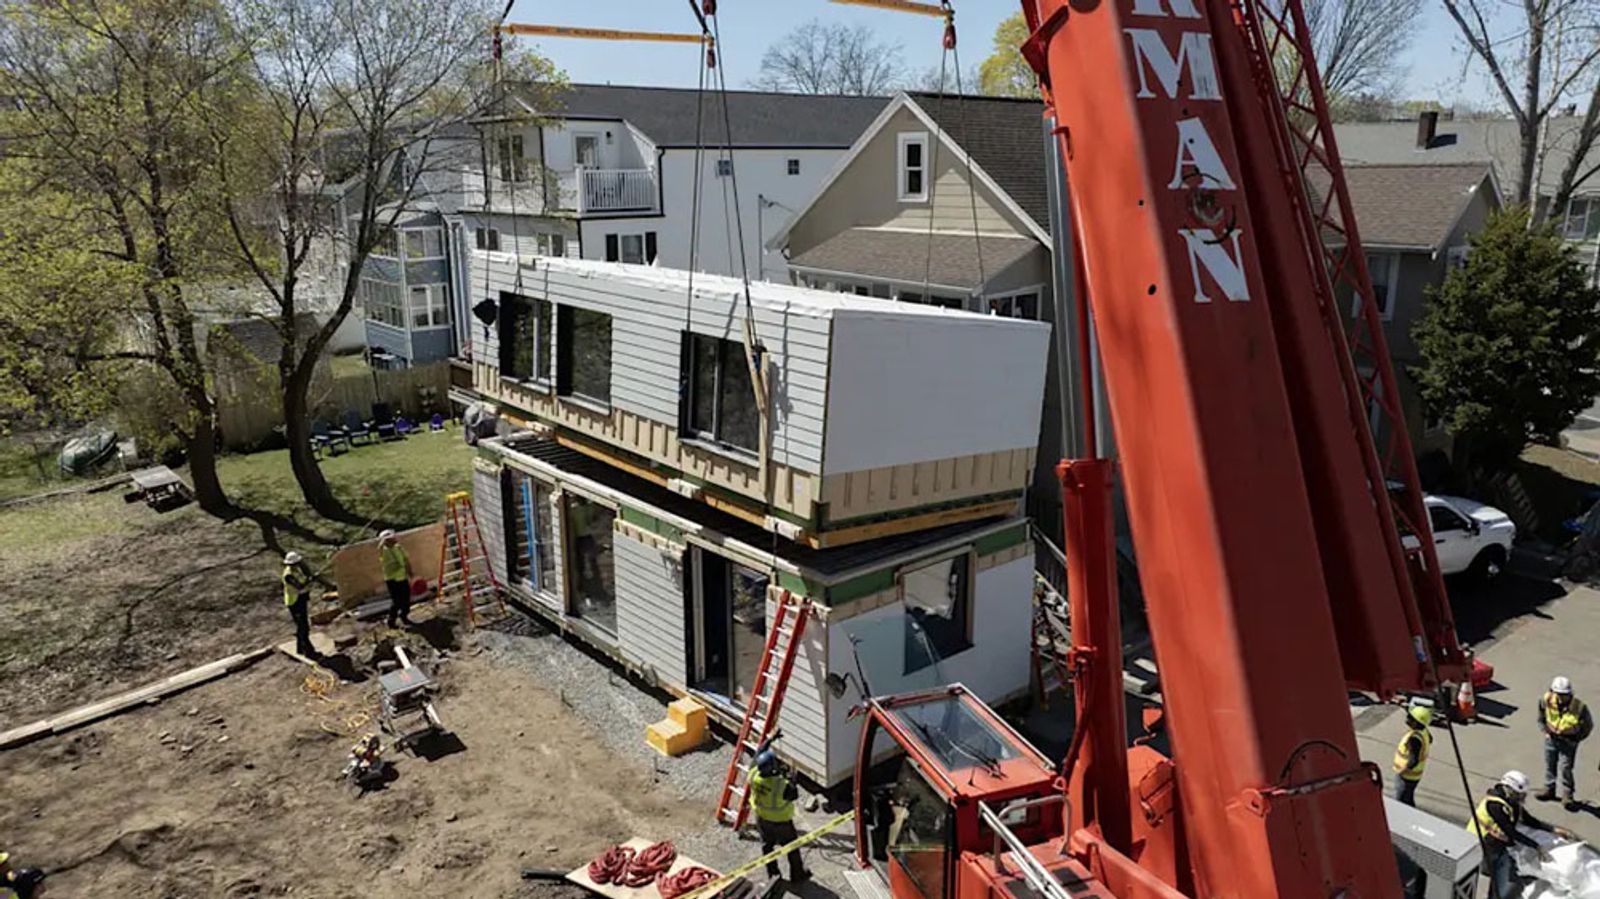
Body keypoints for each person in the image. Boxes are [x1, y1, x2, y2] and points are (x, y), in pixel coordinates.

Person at [1466, 770, 1575, 898]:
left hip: (1498, 842)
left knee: (1502, 875)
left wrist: (1554, 830)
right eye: (1519, 795)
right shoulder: (1495, 805)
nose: (1522, 798)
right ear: (1509, 789)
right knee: (1500, 877)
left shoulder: (1510, 801)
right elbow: (1511, 832)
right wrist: (1536, 846)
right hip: (1483, 843)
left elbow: (1529, 820)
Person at [747, 747, 811, 883]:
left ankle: (774, 876)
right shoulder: (781, 785)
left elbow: (757, 755)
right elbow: (794, 795)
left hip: (762, 819)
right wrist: (793, 780)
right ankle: (797, 875)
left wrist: (769, 740)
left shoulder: (753, 774)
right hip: (781, 823)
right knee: (791, 848)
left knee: (767, 847)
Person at [1537, 676, 1592, 808]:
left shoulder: (1579, 707)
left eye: (1564, 695)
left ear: (1570, 693)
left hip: (1568, 742)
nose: (1561, 697)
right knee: (1550, 764)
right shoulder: (1547, 700)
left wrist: (1576, 739)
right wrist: (1545, 731)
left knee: (1565, 768)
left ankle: (1568, 794)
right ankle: (1549, 789)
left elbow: (1587, 726)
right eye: (1559, 694)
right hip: (1551, 739)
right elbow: (1541, 716)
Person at [1391, 705, 1433, 807]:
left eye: (1410, 717)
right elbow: (1430, 740)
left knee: (1401, 802)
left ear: (1416, 722)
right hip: (1414, 776)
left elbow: (1413, 760)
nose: (1407, 718)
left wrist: (1401, 772)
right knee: (1408, 799)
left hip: (1406, 776)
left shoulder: (1414, 739)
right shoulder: (1424, 732)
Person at [281, 551, 316, 658]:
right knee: (303, 627)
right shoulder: (288, 575)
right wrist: (309, 580)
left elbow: (306, 574)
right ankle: (308, 650)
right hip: (294, 602)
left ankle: (300, 648)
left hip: (300, 599)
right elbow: (299, 586)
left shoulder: (296, 570)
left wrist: (309, 575)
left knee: (303, 626)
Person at [378, 530, 415, 628]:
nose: (393, 540)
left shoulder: (398, 548)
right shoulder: (384, 551)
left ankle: (404, 615)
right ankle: (391, 620)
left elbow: (405, 559)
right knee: (397, 600)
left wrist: (410, 572)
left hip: (402, 577)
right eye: (389, 539)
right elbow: (381, 551)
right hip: (392, 579)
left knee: (406, 598)